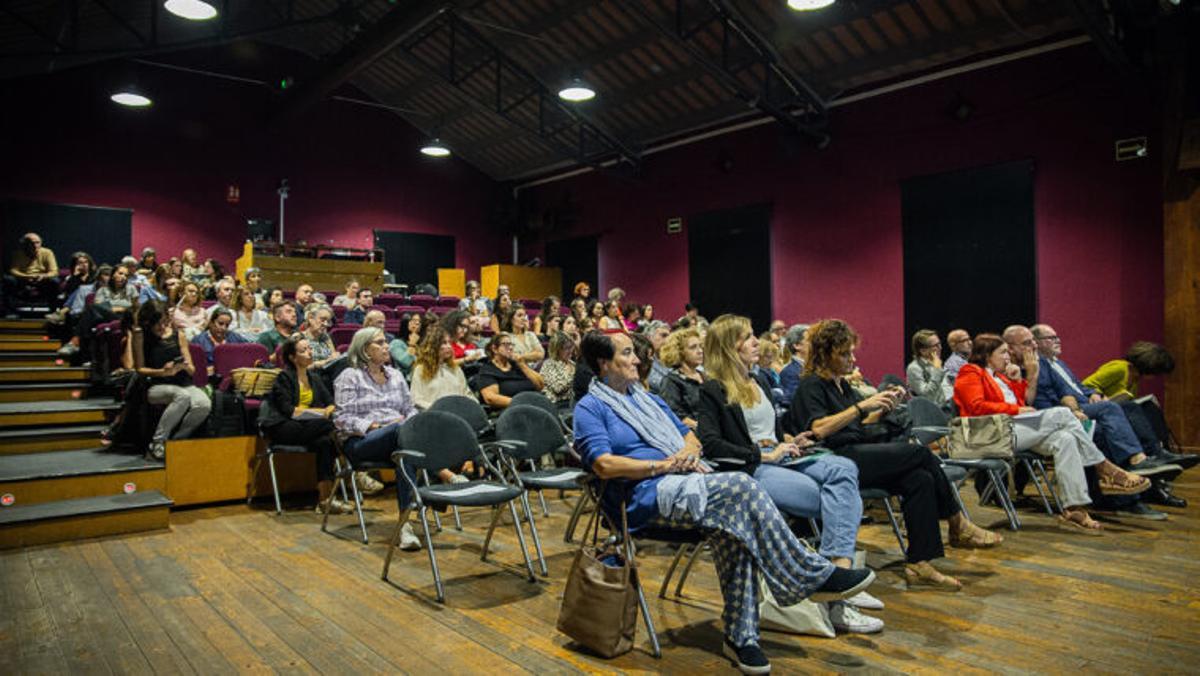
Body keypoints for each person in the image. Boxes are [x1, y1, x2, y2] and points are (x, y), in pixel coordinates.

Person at [573, 331, 876, 672]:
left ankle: (741, 637)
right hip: (643, 498)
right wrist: (664, 465)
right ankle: (809, 576)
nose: (638, 359)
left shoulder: (648, 399)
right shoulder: (590, 407)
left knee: (736, 525)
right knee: (740, 486)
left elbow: (691, 436)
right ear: (604, 363)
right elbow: (603, 465)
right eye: (627, 353)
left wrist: (687, 453)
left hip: (685, 480)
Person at [696, 315, 882, 633]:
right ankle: (838, 593)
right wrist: (762, 454)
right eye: (747, 337)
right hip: (754, 468)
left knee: (844, 468)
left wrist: (790, 439)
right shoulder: (714, 389)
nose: (757, 341)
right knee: (836, 499)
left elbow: (772, 429)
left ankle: (838, 573)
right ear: (728, 346)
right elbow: (711, 444)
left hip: (783, 458)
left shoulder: (760, 381)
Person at [792, 319, 1003, 589]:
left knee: (919, 479)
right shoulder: (811, 385)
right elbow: (819, 428)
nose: (852, 359)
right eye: (844, 354)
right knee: (919, 454)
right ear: (825, 354)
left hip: (857, 450)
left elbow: (859, 424)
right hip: (835, 459)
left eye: (851, 353)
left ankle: (919, 563)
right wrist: (862, 406)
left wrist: (883, 409)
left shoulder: (841, 385)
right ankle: (957, 522)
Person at [954, 333, 1151, 532]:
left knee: (1065, 439)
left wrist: (1021, 380)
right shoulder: (970, 372)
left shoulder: (1001, 377)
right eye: (1003, 352)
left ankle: (1074, 508)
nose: (1008, 356)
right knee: (1062, 414)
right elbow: (976, 406)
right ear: (987, 355)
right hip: (983, 435)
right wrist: (1016, 410)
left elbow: (1023, 403)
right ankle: (1105, 469)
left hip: (1010, 431)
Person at [334, 327, 420, 550]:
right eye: (379, 343)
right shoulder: (349, 376)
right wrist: (377, 426)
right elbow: (341, 419)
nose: (386, 346)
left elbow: (410, 409)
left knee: (405, 452)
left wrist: (408, 422)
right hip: (362, 442)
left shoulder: (396, 375)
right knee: (401, 433)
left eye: (385, 342)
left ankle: (405, 524)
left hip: (397, 440)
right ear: (364, 349)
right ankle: (440, 481)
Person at [260, 337, 348, 514]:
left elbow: (330, 403)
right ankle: (353, 466)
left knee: (325, 442)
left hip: (311, 427)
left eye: (309, 349)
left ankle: (325, 500)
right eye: (303, 350)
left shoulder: (314, 378)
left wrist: (328, 410)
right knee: (328, 425)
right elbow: (290, 411)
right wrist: (321, 413)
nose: (310, 353)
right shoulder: (284, 377)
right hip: (283, 427)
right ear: (292, 357)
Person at [129, 300, 211, 460]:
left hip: (182, 381)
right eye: (157, 324)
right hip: (156, 384)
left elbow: (192, 369)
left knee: (203, 404)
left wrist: (183, 366)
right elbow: (139, 369)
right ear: (148, 322)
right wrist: (163, 372)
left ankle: (176, 441)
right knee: (182, 396)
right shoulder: (140, 335)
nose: (162, 327)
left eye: (164, 322)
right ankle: (158, 441)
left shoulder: (178, 335)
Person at [476, 332, 544, 409]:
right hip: (512, 409)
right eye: (506, 345)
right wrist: (521, 403)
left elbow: (540, 385)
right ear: (494, 349)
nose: (511, 348)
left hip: (535, 404)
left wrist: (522, 364)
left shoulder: (518, 365)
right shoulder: (488, 370)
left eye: (511, 344)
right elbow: (490, 398)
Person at [658, 327, 705, 428]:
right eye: (693, 347)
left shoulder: (706, 376)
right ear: (679, 352)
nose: (700, 351)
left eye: (700, 346)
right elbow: (673, 415)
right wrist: (703, 428)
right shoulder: (671, 381)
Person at [4, 232, 60, 313]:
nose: (35, 245)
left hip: (41, 280)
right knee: (8, 280)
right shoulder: (18, 253)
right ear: (25, 244)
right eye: (32, 243)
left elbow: (54, 271)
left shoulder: (47, 252)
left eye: (37, 242)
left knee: (54, 281)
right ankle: (9, 311)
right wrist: (26, 277)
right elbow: (13, 270)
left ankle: (53, 311)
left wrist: (42, 276)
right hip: (23, 280)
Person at [906, 329, 948, 408]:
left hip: (947, 406)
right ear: (923, 351)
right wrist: (937, 370)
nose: (941, 348)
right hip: (933, 411)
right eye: (936, 346)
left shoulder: (935, 362)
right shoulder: (914, 368)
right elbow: (926, 396)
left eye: (939, 344)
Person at [539, 331, 577, 405]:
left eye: (571, 347)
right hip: (556, 405)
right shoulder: (549, 364)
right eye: (567, 348)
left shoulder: (572, 363)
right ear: (557, 349)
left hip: (571, 403)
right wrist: (575, 376)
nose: (570, 351)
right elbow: (558, 388)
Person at [302, 303, 340, 368]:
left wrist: (336, 357)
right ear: (311, 318)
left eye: (328, 321)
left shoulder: (326, 337)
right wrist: (325, 362)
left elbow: (333, 356)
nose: (326, 324)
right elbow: (302, 367)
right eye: (322, 320)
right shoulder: (300, 338)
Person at [779, 324, 809, 404]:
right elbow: (796, 401)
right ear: (797, 345)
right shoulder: (789, 373)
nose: (815, 343)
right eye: (809, 340)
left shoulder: (817, 367)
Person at [940, 329, 972, 401]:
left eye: (969, 339)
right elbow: (962, 389)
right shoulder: (953, 364)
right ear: (953, 346)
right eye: (964, 340)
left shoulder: (965, 360)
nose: (970, 343)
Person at [643, 320, 672, 392]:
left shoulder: (671, 359)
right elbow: (662, 385)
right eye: (663, 335)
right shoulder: (642, 359)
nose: (668, 340)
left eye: (669, 337)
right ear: (649, 337)